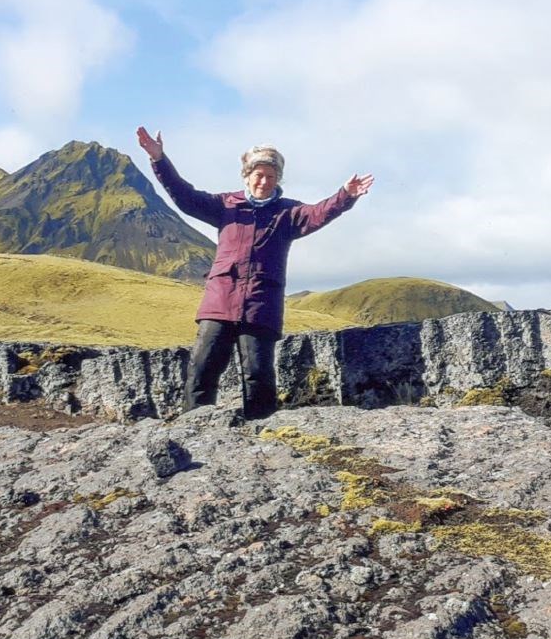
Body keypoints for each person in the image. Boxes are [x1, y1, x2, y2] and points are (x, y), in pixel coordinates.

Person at [137, 126, 374, 419]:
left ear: (278, 179)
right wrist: (158, 159)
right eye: (258, 175)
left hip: (261, 306)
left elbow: (318, 213)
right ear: (247, 176)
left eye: (271, 176)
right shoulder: (225, 205)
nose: (264, 181)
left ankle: (261, 433)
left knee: (258, 375)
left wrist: (345, 196)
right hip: (220, 302)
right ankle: (193, 428)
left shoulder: (288, 214)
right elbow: (185, 196)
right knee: (201, 368)